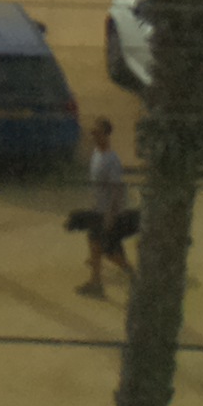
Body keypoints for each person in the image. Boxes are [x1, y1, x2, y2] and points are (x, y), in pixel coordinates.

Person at [71, 115, 138, 295]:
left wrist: (110, 215)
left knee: (107, 249)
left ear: (106, 135)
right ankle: (97, 281)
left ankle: (127, 273)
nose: (93, 135)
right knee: (95, 241)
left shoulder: (111, 160)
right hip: (99, 210)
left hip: (111, 212)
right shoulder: (96, 154)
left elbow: (117, 190)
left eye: (97, 132)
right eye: (93, 132)